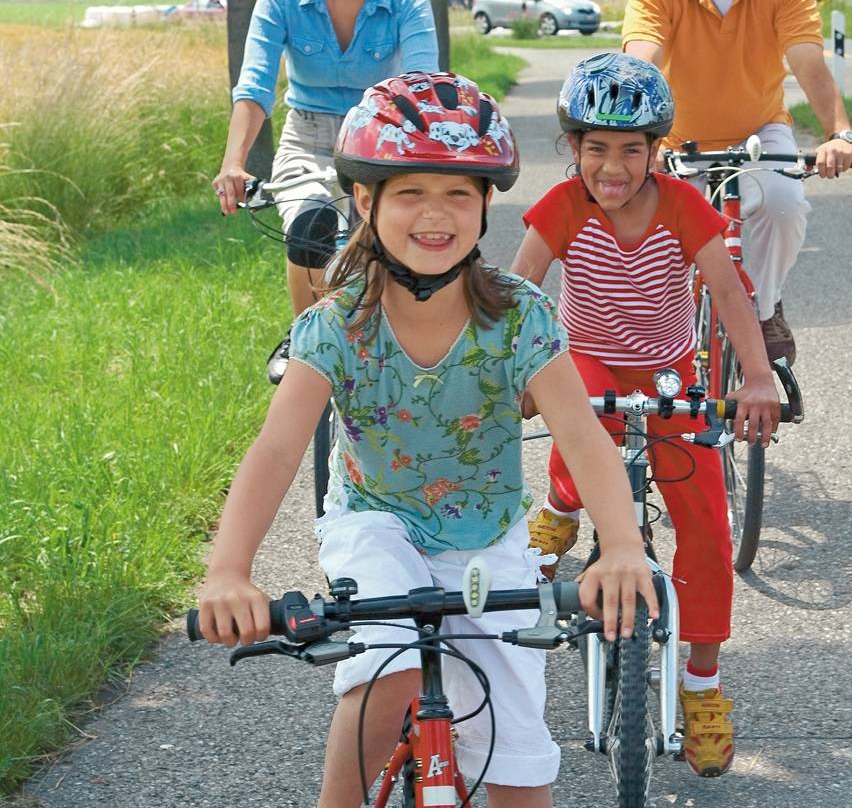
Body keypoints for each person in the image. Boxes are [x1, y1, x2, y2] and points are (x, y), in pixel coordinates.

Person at [197, 71, 658, 808]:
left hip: (488, 539)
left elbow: (584, 437)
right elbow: (277, 451)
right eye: (410, 192)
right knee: (392, 669)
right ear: (365, 200)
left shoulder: (520, 317)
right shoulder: (336, 325)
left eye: (458, 193)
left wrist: (624, 546)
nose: (435, 215)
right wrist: (229, 570)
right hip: (378, 523)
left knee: (522, 777)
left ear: (484, 204)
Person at [513, 52, 781, 778]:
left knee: (703, 517)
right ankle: (560, 503)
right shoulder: (560, 206)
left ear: (655, 151)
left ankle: (700, 683)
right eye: (595, 148)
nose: (613, 166)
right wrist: (512, 372)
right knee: (579, 435)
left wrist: (756, 377)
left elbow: (727, 295)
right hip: (585, 359)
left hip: (668, 368)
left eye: (631, 150)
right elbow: (519, 291)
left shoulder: (680, 205)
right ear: (572, 149)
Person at [622, 0, 852, 366]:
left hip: (758, 132)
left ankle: (765, 306)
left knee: (784, 205)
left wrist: (839, 133)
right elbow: (642, 62)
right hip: (675, 138)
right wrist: (637, 143)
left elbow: (807, 61)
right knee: (656, 245)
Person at [212, 0, 438, 383]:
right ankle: (306, 339)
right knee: (312, 223)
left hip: (382, 136)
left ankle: (405, 343)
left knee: (396, 246)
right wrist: (233, 164)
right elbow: (255, 88)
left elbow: (423, 85)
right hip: (309, 136)